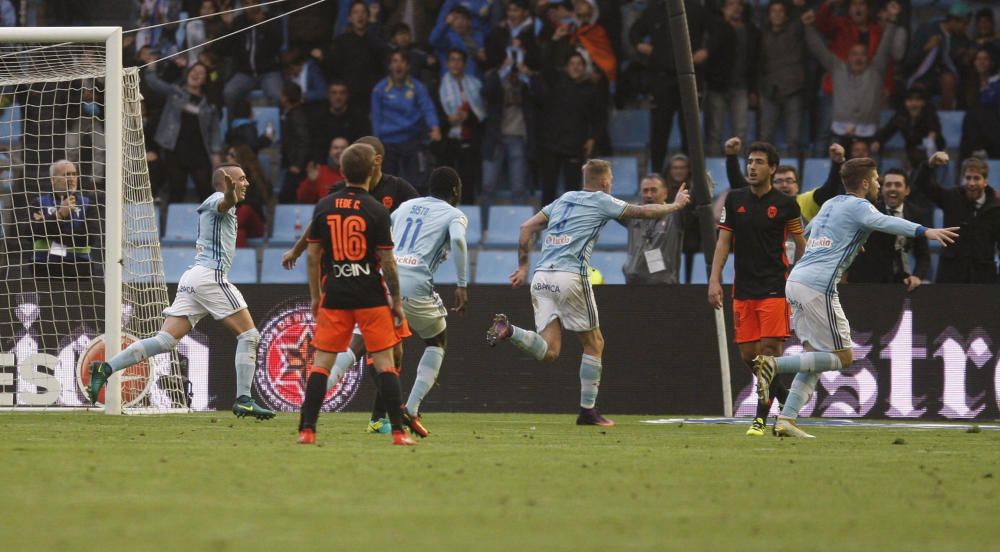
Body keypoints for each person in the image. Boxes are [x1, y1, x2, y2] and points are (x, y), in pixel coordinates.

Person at [754, 158, 959, 438]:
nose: (878, 184)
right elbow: (887, 222)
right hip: (818, 287)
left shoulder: (831, 204)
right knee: (844, 357)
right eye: (876, 180)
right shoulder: (861, 207)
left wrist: (847, 244)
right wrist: (926, 231)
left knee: (815, 357)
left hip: (797, 281)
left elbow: (810, 234)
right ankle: (773, 365)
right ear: (864, 183)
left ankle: (786, 419)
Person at [486, 159, 691, 426]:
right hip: (570, 275)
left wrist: (523, 266)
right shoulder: (602, 200)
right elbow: (643, 212)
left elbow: (526, 228)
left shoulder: (563, 199)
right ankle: (588, 411)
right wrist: (675, 205)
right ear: (606, 183)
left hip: (541, 277)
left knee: (549, 350)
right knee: (594, 343)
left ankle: (510, 330)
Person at [87, 164, 275, 420]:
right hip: (210, 277)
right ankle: (244, 399)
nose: (247, 183)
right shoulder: (220, 200)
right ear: (226, 181)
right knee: (250, 336)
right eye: (241, 179)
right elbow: (226, 201)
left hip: (193, 278)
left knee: (165, 341)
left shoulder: (217, 203)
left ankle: (105, 368)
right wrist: (230, 193)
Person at [282, 136, 419, 433]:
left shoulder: (397, 190)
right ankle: (391, 426)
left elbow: (316, 246)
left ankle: (309, 427)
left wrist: (315, 293)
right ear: (371, 166)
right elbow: (386, 259)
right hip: (371, 290)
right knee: (383, 357)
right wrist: (297, 248)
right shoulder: (374, 209)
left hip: (338, 289)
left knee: (331, 359)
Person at [711, 140, 806, 437]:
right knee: (748, 356)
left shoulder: (787, 204)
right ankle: (789, 402)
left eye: (759, 162)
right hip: (744, 289)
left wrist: (797, 278)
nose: (752, 166)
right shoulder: (734, 200)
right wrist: (715, 279)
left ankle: (760, 420)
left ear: (772, 168)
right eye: (750, 161)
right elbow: (723, 243)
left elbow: (801, 244)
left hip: (775, 288)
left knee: (767, 355)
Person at [389, 167, 469, 433]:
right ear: (455, 191)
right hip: (414, 285)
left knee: (359, 343)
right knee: (436, 340)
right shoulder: (454, 214)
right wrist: (462, 284)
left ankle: (312, 402)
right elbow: (458, 241)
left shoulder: (405, 207)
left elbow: (382, 233)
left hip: (384, 281)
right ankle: (411, 409)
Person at [804, 4, 900, 150]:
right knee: (837, 167)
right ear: (847, 57)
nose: (858, 58)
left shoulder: (876, 69)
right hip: (840, 132)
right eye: (854, 55)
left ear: (868, 57)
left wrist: (892, 20)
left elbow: (885, 45)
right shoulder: (837, 68)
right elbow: (818, 49)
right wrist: (808, 27)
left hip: (868, 133)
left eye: (862, 55)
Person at [913, 152, 1000, 283]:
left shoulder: (996, 207)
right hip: (951, 275)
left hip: (983, 277)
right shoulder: (952, 197)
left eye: (976, 178)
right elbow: (922, 184)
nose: (971, 183)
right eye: (968, 178)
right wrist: (929, 165)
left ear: (985, 181)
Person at [846, 168, 930, 288]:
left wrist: (917, 276)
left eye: (898, 185)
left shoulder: (916, 214)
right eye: (888, 184)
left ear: (907, 190)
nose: (892, 188)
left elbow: (923, 254)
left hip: (900, 282)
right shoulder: (869, 210)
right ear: (882, 189)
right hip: (866, 282)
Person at [371, 50, 443, 190]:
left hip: (412, 140)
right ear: (390, 66)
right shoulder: (380, 89)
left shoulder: (418, 87)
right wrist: (375, 143)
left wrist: (434, 127)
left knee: (416, 184)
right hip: (388, 143)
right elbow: (376, 117)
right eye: (395, 61)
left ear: (408, 66)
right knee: (386, 185)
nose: (399, 65)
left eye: (402, 61)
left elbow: (427, 108)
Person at [29, 160, 101, 278]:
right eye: (66, 175)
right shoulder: (38, 203)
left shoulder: (88, 204)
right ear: (53, 179)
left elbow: (89, 238)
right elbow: (31, 233)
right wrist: (60, 214)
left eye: (74, 174)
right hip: (44, 268)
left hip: (80, 269)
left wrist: (49, 225)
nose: (72, 178)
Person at [623, 174, 683, 285]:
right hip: (633, 285)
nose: (649, 195)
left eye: (653, 190)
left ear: (665, 193)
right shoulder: (633, 214)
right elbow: (608, 207)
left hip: (663, 287)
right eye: (645, 191)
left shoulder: (674, 216)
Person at [296, 137, 348, 204]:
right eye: (335, 148)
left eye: (343, 148)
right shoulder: (319, 171)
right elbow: (302, 200)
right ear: (330, 152)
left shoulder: (356, 173)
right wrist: (311, 182)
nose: (339, 151)